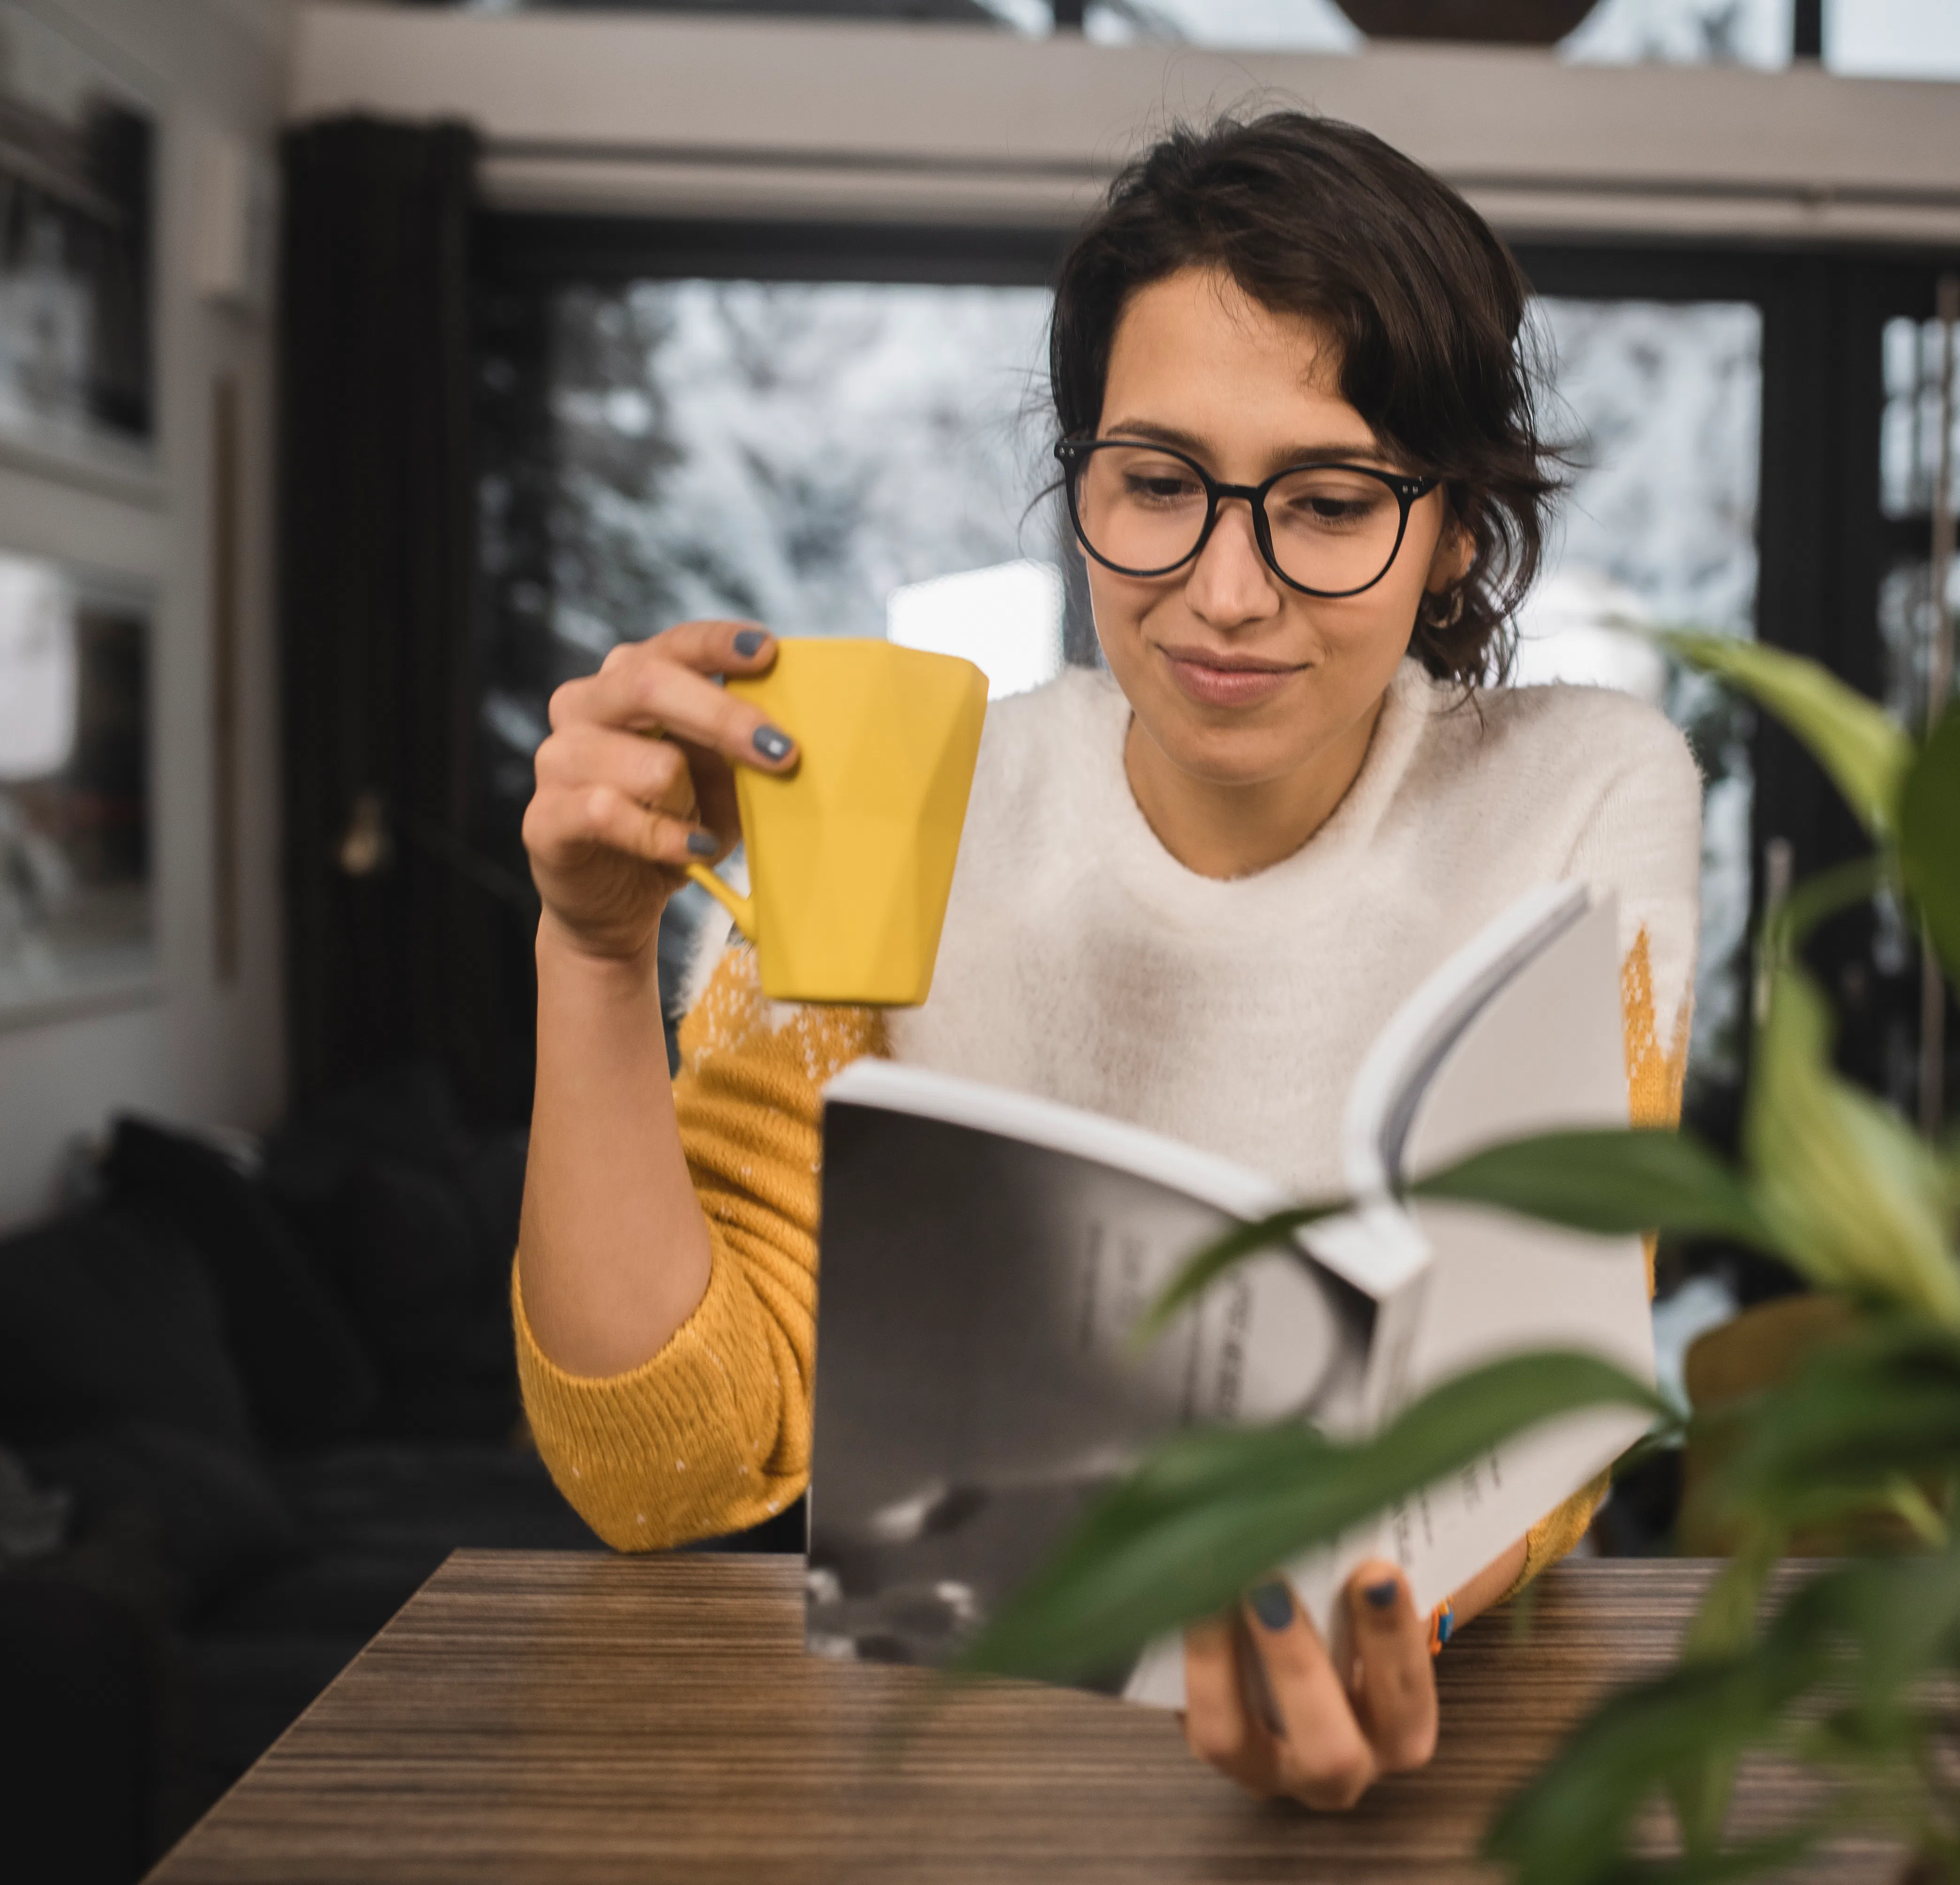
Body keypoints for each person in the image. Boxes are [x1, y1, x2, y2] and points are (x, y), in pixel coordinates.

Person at [512, 111, 1702, 1812]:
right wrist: (592, 943)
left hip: (1417, 1744)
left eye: (1331, 501)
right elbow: (669, 1462)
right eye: (1159, 484)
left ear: (1453, 533)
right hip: (945, 1772)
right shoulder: (906, 792)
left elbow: (1547, 1404)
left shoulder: (1582, 789)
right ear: (1082, 485)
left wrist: (1357, 1641)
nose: (1226, 590)